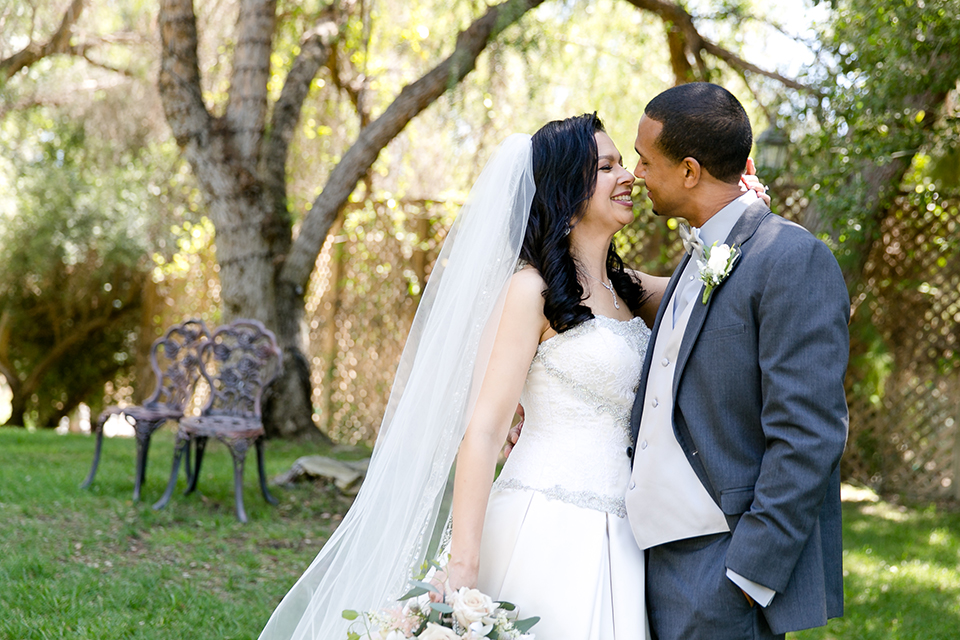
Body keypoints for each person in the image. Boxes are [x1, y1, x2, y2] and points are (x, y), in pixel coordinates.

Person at [258, 112, 767, 640]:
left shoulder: (627, 289)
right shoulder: (531, 290)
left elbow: (714, 284)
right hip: (545, 520)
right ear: (567, 188)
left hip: (624, 533)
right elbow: (481, 433)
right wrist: (462, 571)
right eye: (607, 167)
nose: (629, 177)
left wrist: (742, 208)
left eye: (625, 164)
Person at [624, 82, 849, 640]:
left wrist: (748, 574)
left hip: (723, 569)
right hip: (650, 560)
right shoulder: (700, 253)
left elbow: (809, 434)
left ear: (690, 171)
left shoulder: (792, 258)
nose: (636, 174)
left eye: (645, 161)